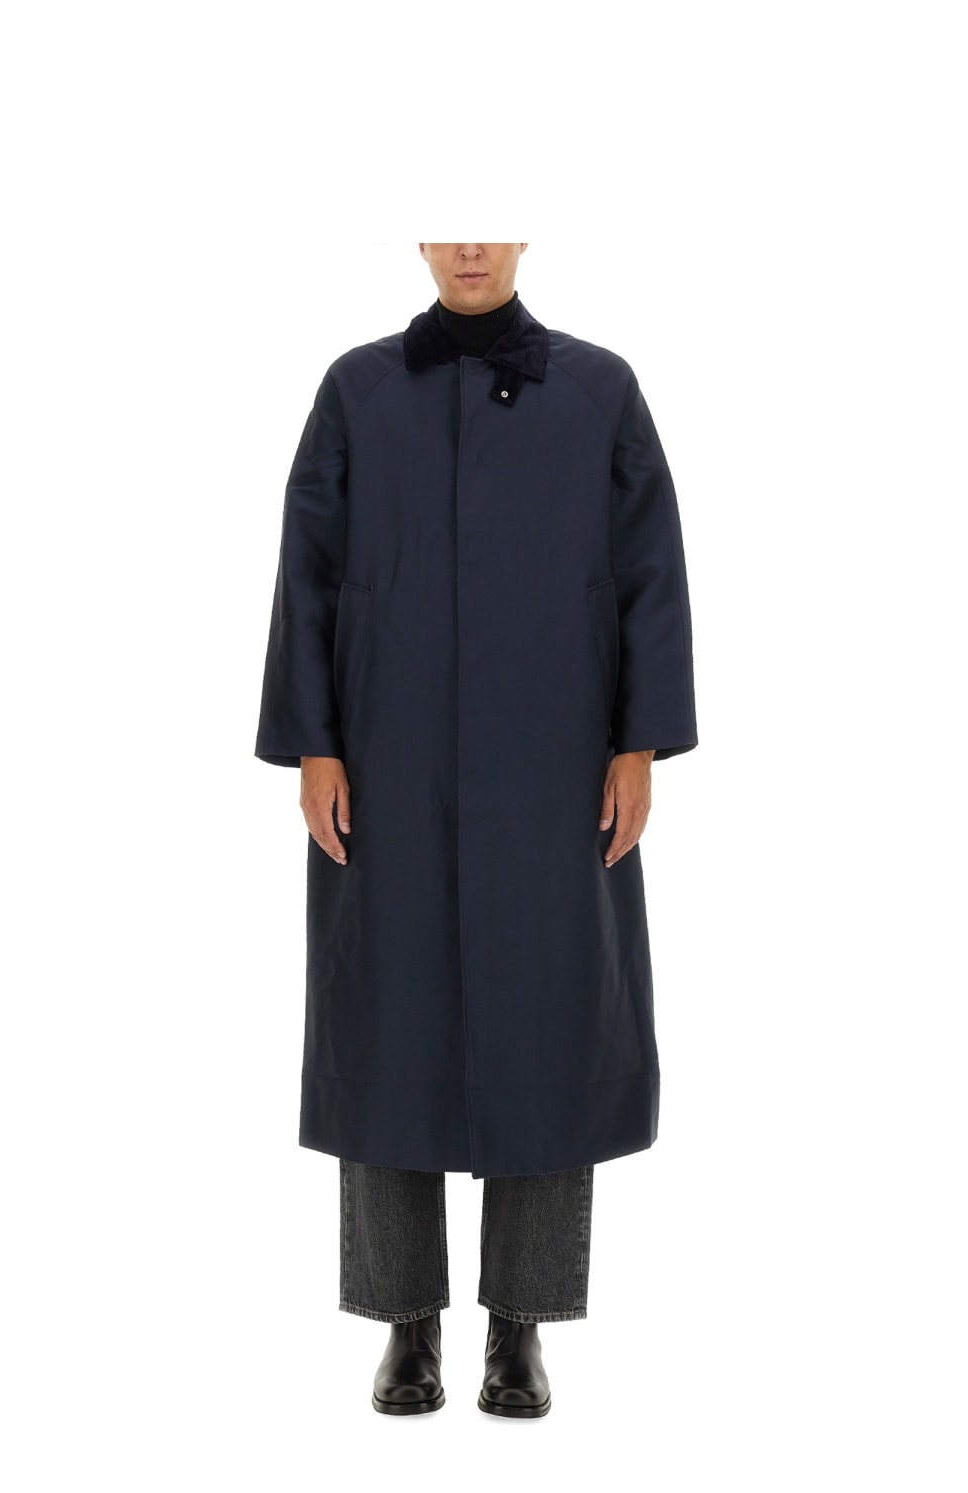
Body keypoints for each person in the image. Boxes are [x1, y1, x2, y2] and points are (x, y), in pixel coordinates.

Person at [255, 242, 697, 1417]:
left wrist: (639, 741)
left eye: (490, 221)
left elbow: (648, 569)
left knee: (546, 1020)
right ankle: (405, 1324)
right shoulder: (357, 389)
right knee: (386, 1019)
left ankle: (520, 1326)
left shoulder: (599, 390)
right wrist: (314, 742)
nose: (467, 246)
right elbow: (308, 570)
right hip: (385, 761)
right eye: (446, 220)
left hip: (556, 762)